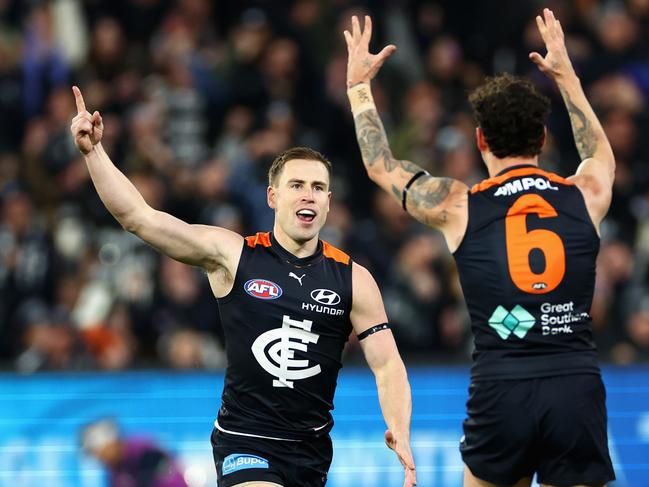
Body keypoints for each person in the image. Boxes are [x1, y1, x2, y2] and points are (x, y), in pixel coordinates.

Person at [69, 88, 416, 487]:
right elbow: (140, 218)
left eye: (318, 188)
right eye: (297, 185)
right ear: (272, 196)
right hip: (244, 442)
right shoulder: (233, 256)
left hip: (311, 452)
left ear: (328, 201)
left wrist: (400, 430)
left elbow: (388, 365)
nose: (308, 195)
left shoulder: (354, 279)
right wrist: (94, 154)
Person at [344, 8, 615, 487]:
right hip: (574, 384)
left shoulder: (459, 205)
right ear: (544, 137)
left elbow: (380, 166)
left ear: (479, 140)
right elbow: (598, 155)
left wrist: (359, 88)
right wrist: (567, 76)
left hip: (501, 386)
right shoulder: (585, 194)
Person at [80, 418, 188, 487]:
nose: (100, 458)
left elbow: (174, 480)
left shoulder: (143, 451)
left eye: (99, 452)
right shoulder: (114, 472)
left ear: (112, 443)